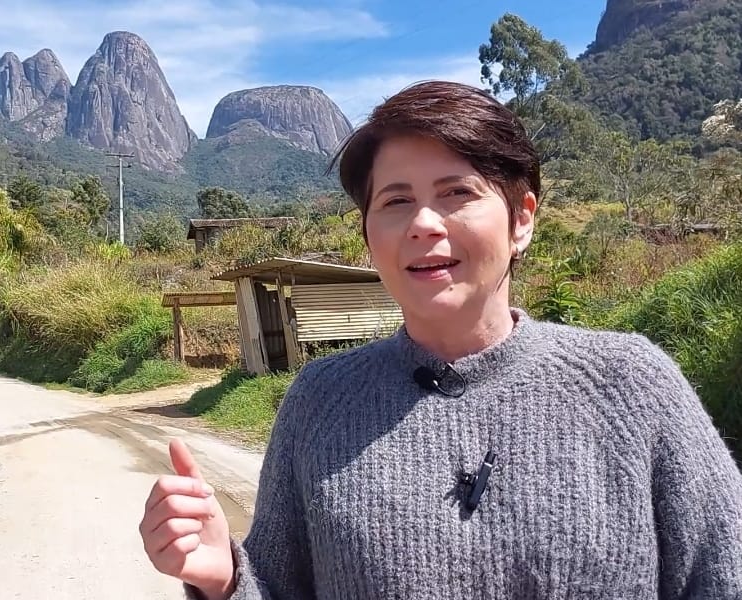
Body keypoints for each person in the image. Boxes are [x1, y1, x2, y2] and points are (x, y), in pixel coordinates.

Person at [138, 80, 742, 599]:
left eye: (457, 193)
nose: (424, 224)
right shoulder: (320, 400)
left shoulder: (632, 385)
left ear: (521, 218)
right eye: (396, 201)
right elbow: (274, 585)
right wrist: (224, 580)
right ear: (370, 235)